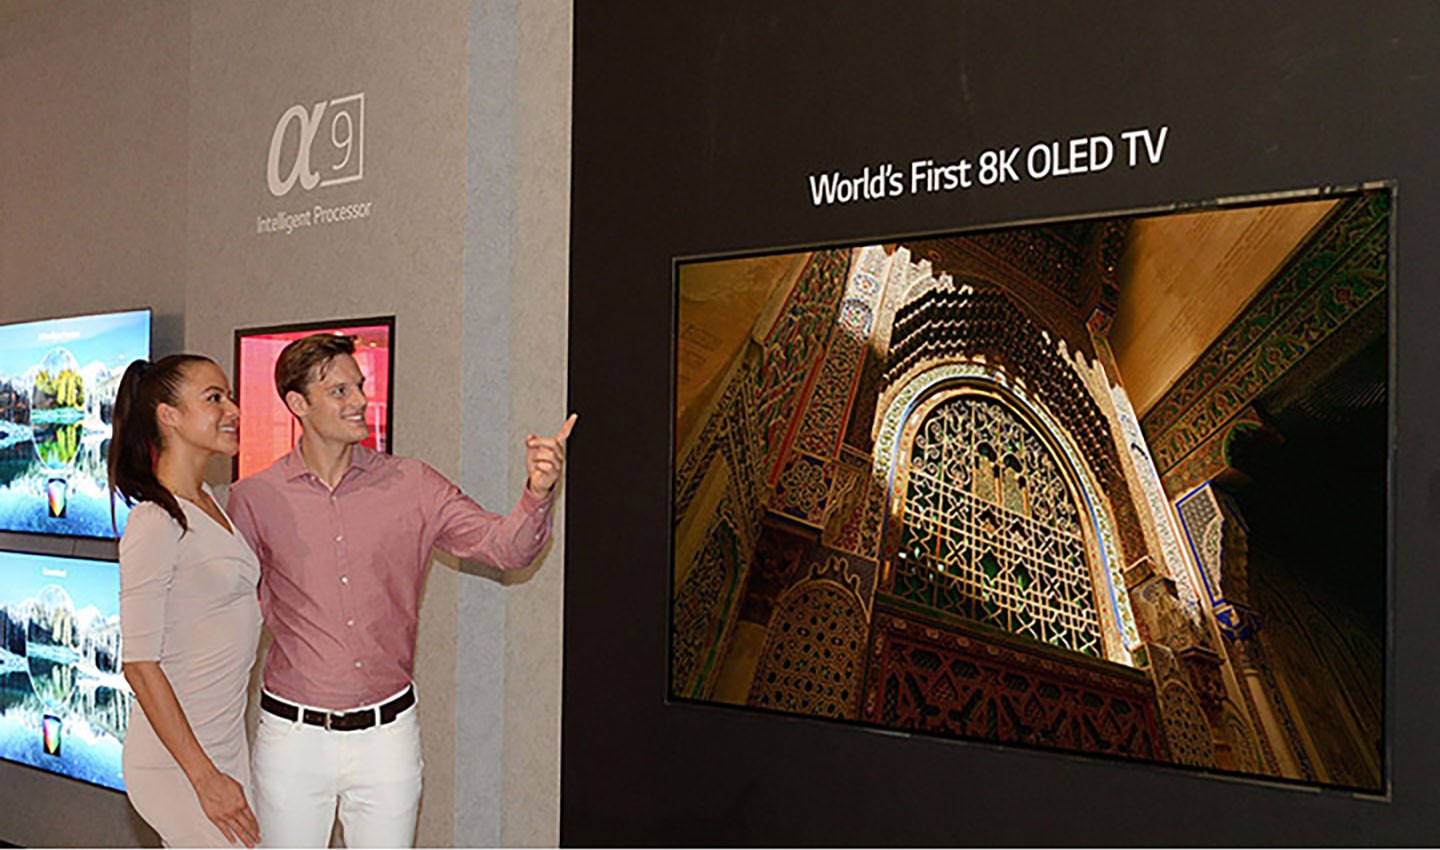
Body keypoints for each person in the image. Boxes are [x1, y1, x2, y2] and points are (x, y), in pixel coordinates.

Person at [226, 333, 574, 848]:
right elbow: (231, 612)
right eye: (339, 391)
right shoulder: (253, 499)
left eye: (359, 386)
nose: (359, 400)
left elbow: (505, 548)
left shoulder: (413, 485)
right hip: (292, 741)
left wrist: (537, 494)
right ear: (297, 405)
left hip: (387, 738)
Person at [109, 355, 262, 848]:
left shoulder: (211, 503)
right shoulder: (154, 521)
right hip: (179, 762)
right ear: (167, 415)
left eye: (230, 397)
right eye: (214, 398)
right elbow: (139, 664)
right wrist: (204, 779)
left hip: (223, 745)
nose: (233, 409)